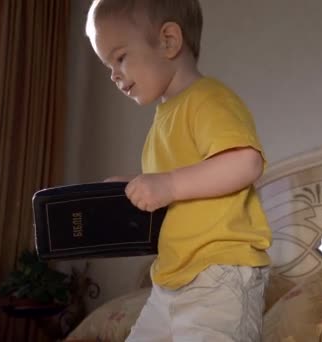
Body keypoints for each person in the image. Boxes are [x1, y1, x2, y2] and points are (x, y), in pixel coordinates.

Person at [85, 0, 272, 340]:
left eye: (120, 57)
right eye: (107, 65)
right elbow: (187, 179)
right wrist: (136, 185)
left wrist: (168, 184)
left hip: (220, 272)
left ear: (169, 41)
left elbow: (246, 161)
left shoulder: (208, 98)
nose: (113, 74)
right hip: (171, 277)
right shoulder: (164, 118)